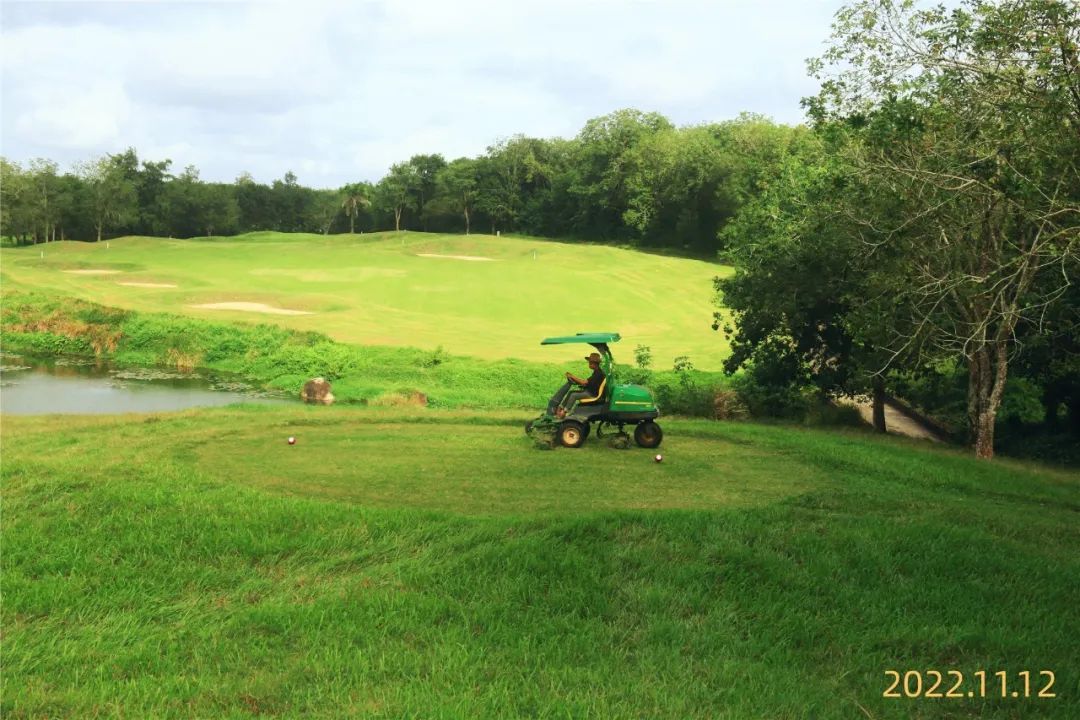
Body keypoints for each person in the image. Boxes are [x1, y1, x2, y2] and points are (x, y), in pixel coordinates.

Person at [554, 352, 606, 418]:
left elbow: (584, 383)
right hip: (589, 391)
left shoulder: (599, 374)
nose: (589, 364)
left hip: (591, 394)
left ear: (595, 364)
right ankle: (559, 409)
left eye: (590, 363)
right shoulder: (596, 372)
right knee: (571, 392)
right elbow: (587, 382)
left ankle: (563, 413)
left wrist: (572, 376)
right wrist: (575, 379)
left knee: (573, 395)